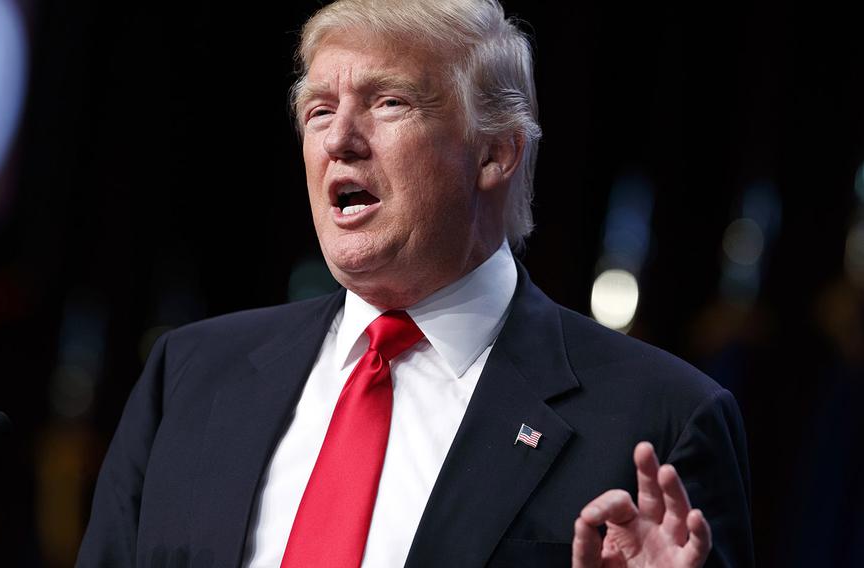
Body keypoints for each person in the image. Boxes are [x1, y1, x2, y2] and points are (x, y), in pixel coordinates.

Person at [77, 1, 753, 566]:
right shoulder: (189, 376)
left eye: (389, 102)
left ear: (495, 151)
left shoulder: (659, 420)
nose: (339, 137)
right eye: (318, 110)